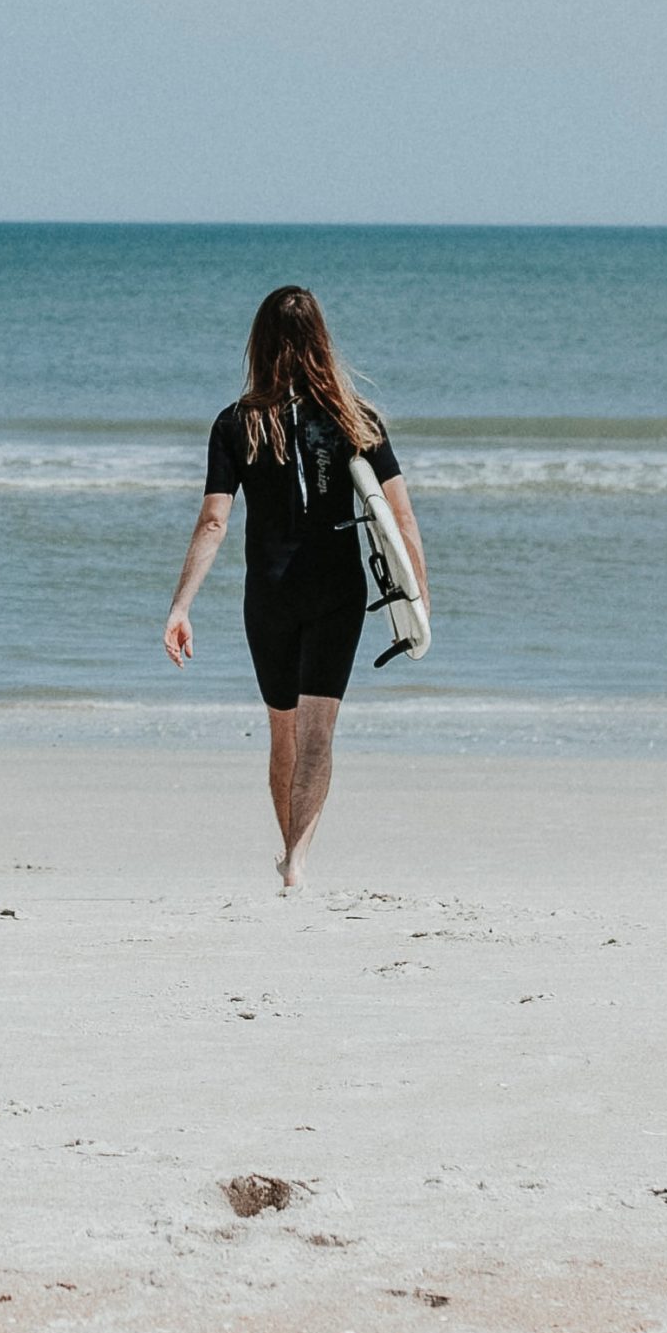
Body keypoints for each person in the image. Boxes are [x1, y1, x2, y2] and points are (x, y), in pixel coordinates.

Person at [163, 285, 428, 893]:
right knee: (318, 731)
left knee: (283, 728)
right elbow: (401, 516)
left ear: (258, 341)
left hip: (270, 593)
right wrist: (419, 598)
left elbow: (213, 520)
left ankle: (289, 857)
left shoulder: (237, 424)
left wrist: (181, 605)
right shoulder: (357, 418)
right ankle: (298, 863)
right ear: (321, 340)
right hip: (337, 590)